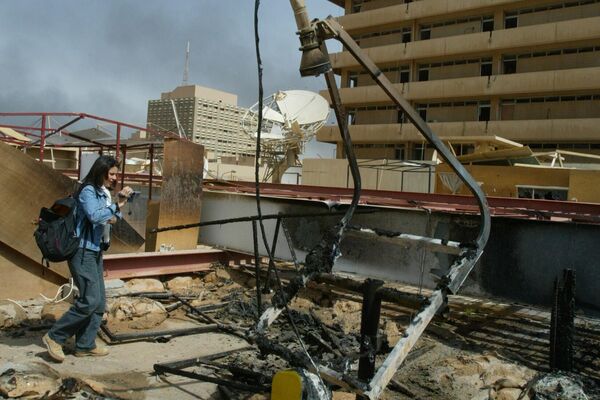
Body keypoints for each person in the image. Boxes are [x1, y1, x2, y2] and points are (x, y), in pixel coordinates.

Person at [42, 155, 134, 362]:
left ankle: (84, 344)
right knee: (89, 300)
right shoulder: (88, 191)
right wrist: (116, 205)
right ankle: (54, 337)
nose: (114, 178)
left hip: (95, 250)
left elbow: (108, 219)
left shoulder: (103, 193)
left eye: (115, 175)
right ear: (100, 171)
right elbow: (94, 216)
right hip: (81, 251)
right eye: (111, 174)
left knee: (99, 302)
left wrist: (120, 206)